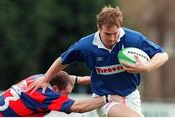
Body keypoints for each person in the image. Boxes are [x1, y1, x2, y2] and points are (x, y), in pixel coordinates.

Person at [28, 5, 169, 117]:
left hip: (131, 95)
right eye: (108, 34)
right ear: (99, 28)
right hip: (103, 99)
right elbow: (63, 60)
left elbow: (162, 55)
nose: (112, 38)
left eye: (115, 33)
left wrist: (147, 67)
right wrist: (46, 78)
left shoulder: (132, 38)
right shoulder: (86, 45)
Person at [0, 71, 135, 117]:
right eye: (66, 93)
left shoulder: (39, 79)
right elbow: (77, 107)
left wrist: (78, 79)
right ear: (55, 89)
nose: (67, 97)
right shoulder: (46, 95)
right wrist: (108, 98)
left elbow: (56, 74)